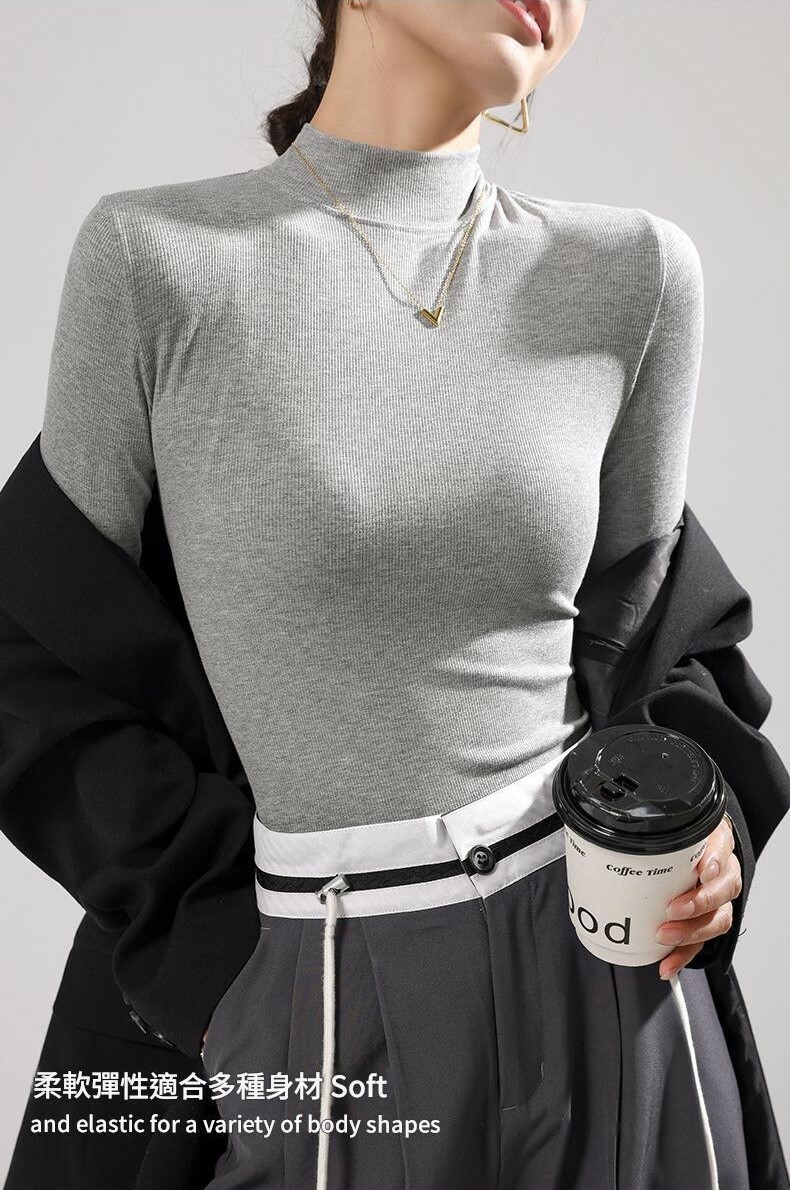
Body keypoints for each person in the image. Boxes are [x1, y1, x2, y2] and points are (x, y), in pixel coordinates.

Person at [8, 1, 756, 1188]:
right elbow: (25, 648)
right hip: (313, 976)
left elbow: (658, 639)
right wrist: (219, 953)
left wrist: (702, 820)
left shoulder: (632, 273)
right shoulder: (159, 259)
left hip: (611, 980)